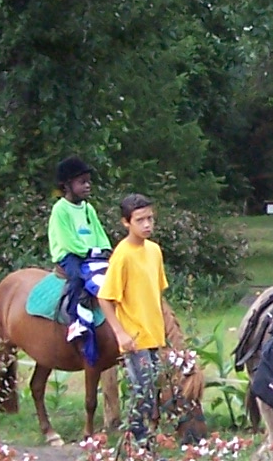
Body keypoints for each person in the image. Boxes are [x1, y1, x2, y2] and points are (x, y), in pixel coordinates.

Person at [102, 193, 183, 442]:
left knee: (152, 391)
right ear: (127, 222)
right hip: (135, 337)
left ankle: (143, 440)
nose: (147, 225)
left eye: (150, 218)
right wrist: (120, 333)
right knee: (142, 391)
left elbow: (156, 293)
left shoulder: (154, 251)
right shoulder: (123, 255)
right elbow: (105, 298)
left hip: (154, 335)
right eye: (140, 220)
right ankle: (138, 443)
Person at [48, 156, 114, 345]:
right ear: (67, 185)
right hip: (70, 256)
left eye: (88, 182)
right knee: (78, 278)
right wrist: (89, 251)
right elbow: (67, 240)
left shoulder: (88, 209)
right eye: (82, 182)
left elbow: (99, 233)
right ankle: (74, 319)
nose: (87, 186)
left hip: (92, 254)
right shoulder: (60, 210)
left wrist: (105, 249)